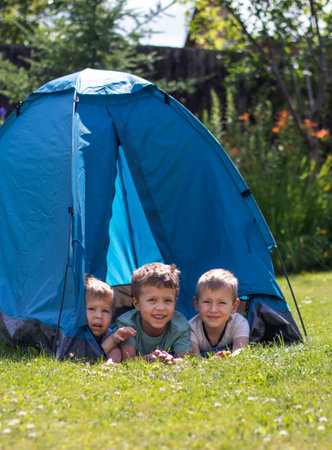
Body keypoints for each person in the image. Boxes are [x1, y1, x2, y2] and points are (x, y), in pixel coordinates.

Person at [112, 262, 191, 364]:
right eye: (152, 300)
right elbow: (128, 360)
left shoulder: (180, 324)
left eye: (167, 300)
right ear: (136, 304)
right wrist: (148, 359)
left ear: (175, 303)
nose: (160, 308)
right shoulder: (127, 324)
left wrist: (172, 360)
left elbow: (185, 359)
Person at [189, 269, 249, 358]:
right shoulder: (191, 329)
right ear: (196, 304)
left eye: (222, 303)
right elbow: (195, 359)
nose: (213, 310)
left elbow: (241, 350)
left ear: (234, 306)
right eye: (206, 302)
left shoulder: (239, 323)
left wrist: (231, 358)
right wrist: (211, 362)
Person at [85, 275, 136, 363]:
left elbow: (114, 352)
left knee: (115, 351)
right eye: (91, 309)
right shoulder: (78, 333)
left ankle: (110, 365)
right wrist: (111, 341)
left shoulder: (107, 333)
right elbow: (88, 354)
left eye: (105, 311)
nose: (99, 316)